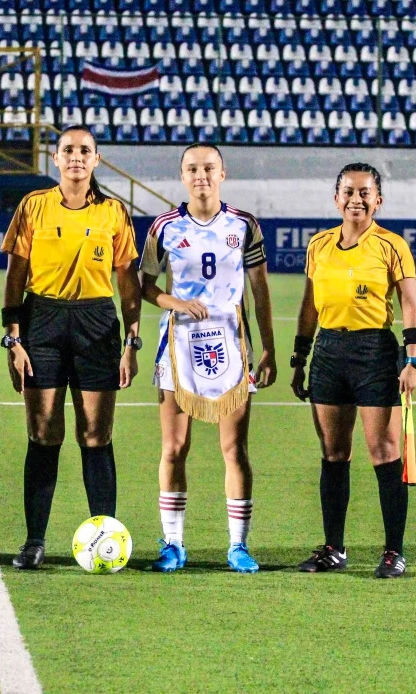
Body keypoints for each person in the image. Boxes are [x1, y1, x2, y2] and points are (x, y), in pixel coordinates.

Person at [2, 125, 141, 570]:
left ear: (96, 160)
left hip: (97, 323)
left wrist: (132, 341)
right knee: (44, 434)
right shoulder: (33, 207)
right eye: (68, 150)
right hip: (41, 320)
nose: (76, 157)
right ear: (55, 159)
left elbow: (127, 283)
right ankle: (34, 541)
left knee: (96, 436)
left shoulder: (114, 213)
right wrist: (13, 338)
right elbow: (14, 276)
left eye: (85, 150)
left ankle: (107, 541)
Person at [139, 143, 277, 574]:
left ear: (223, 173)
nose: (201, 175)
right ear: (182, 176)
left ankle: (238, 546)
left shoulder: (244, 225)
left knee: (234, 448)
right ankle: (173, 545)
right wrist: (174, 303)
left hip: (231, 346)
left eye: (209, 168)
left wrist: (268, 345)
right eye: (192, 168)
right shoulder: (164, 225)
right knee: (174, 446)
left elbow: (260, 289)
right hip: (178, 345)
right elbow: (144, 286)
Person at [291, 163, 416, 579]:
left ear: (378, 200)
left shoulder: (392, 245)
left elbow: (410, 305)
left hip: (374, 352)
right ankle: (334, 548)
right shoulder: (319, 245)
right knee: (333, 454)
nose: (356, 199)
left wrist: (413, 358)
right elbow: (309, 306)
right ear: (336, 197)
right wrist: (300, 358)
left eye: (365, 192)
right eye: (349, 191)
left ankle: (393, 552)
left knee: (384, 453)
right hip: (329, 350)